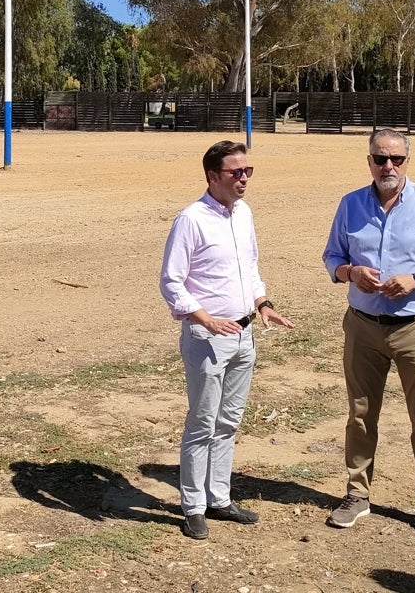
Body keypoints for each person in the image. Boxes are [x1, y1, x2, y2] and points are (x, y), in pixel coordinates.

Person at [321, 128, 415, 539]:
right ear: (368, 160)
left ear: (407, 161)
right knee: (361, 417)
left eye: (396, 159)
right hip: (364, 327)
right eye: (380, 158)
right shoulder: (350, 205)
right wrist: (350, 272)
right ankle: (357, 494)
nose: (388, 166)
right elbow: (332, 256)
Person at [160, 140, 294, 540]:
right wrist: (206, 318)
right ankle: (193, 507)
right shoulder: (191, 219)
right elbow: (171, 282)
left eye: (247, 171)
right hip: (207, 337)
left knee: (229, 420)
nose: (244, 179)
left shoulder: (244, 214)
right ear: (212, 176)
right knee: (202, 422)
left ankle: (219, 498)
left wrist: (263, 303)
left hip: (245, 332)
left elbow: (249, 265)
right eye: (236, 172)